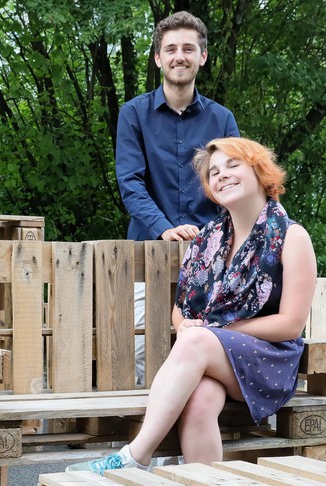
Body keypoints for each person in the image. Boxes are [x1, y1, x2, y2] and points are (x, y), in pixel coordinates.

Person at [69, 137, 317, 472]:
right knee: (199, 402)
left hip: (268, 359)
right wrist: (183, 325)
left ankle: (135, 457)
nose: (222, 175)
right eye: (214, 172)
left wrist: (213, 332)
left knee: (198, 339)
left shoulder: (292, 237)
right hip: (214, 357)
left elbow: (291, 324)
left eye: (233, 165)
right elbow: (183, 309)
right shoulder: (206, 239)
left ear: (260, 172)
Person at [116, 11, 241, 384]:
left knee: (208, 341)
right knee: (140, 347)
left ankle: (199, 428)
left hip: (212, 256)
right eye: (170, 49)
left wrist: (212, 239)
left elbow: (233, 187)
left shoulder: (222, 119)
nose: (179, 56)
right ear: (158, 58)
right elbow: (130, 182)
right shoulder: (134, 114)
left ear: (202, 56)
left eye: (188, 48)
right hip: (145, 253)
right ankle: (143, 432)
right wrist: (164, 229)